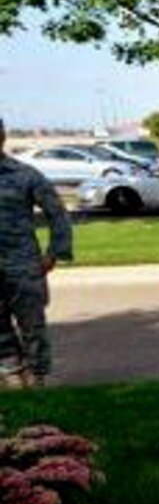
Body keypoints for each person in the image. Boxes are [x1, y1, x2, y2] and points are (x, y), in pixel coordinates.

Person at [0, 116, 74, 387]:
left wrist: (55, 252)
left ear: (3, 136)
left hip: (23, 265)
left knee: (33, 325)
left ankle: (39, 376)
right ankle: (11, 373)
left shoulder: (25, 175)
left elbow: (58, 214)